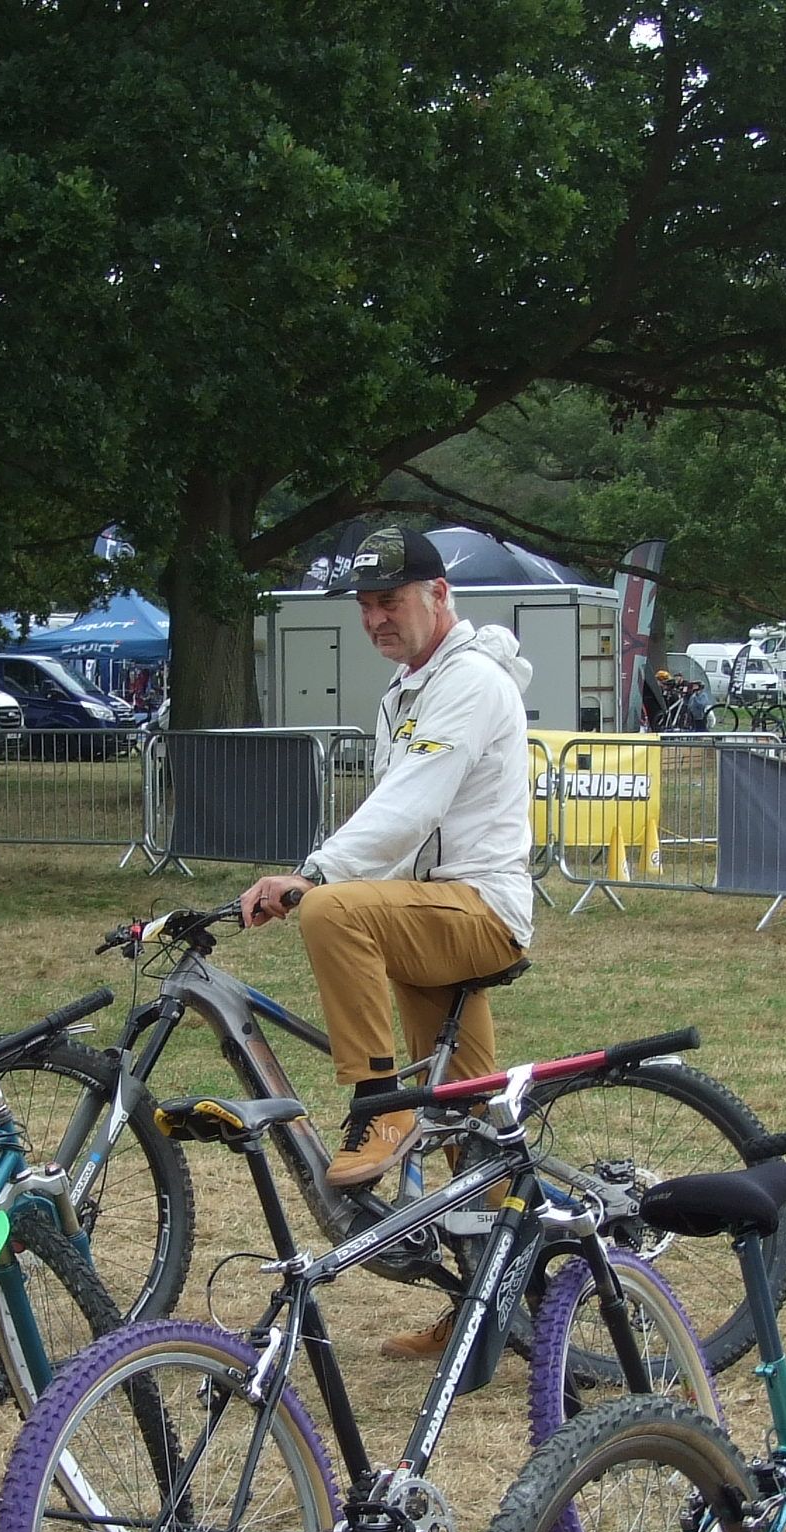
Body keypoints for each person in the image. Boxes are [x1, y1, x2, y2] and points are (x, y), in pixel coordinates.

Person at [237, 526, 532, 1350]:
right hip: (426, 913)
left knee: (336, 912)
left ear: (440, 596)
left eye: (390, 600)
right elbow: (398, 827)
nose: (375, 617)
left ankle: (380, 1108)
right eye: (366, 604)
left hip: (479, 911)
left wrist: (316, 877)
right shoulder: (405, 692)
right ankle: (488, 1307)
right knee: (474, 1127)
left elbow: (415, 800)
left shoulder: (468, 681)